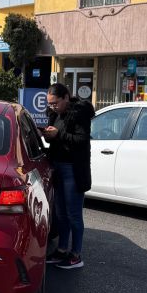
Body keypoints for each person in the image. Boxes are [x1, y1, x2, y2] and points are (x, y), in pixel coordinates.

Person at [42, 83, 94, 270]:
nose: (52, 107)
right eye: (49, 104)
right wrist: (49, 137)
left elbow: (81, 140)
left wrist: (59, 134)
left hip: (73, 169)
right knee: (60, 214)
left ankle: (76, 255)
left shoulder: (79, 113)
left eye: (55, 103)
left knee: (74, 215)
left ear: (66, 97)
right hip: (57, 166)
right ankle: (62, 250)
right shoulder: (55, 114)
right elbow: (58, 138)